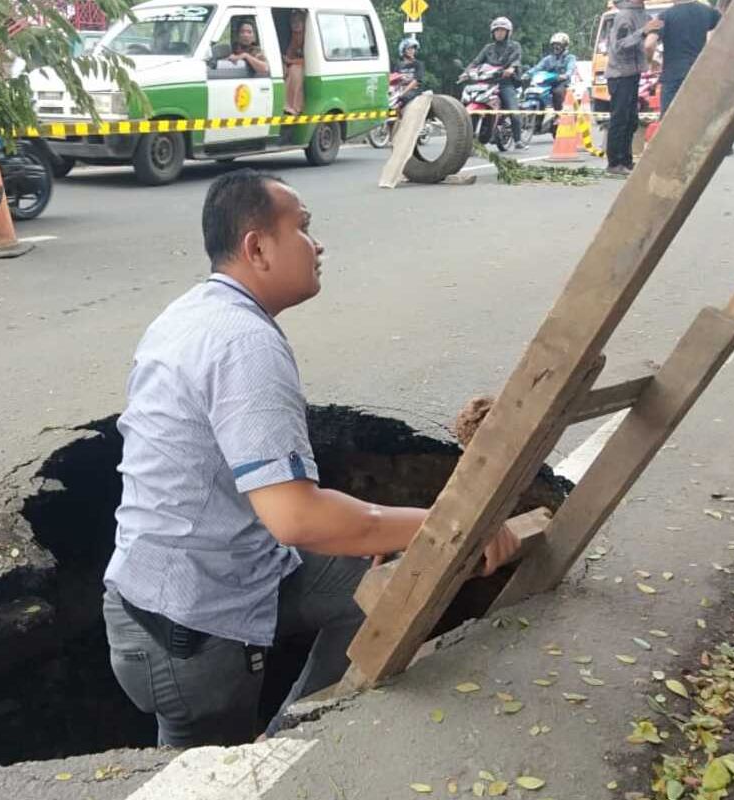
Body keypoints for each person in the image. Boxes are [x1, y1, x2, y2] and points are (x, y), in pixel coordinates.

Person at [102, 169, 523, 748]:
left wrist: (403, 535)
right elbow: (297, 519)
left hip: (204, 578)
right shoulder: (241, 344)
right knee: (214, 777)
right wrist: (456, 528)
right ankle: (271, 759)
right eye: (302, 228)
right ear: (257, 247)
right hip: (188, 633)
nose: (317, 243)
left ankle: (298, 729)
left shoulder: (199, 313)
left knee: (378, 584)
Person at [604, 0, 658, 176]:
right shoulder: (625, 16)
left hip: (633, 74)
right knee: (620, 119)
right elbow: (620, 45)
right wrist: (643, 31)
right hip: (620, 75)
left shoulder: (640, 14)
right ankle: (614, 162)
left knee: (630, 120)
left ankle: (626, 160)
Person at [645, 0, 721, 117]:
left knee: (669, 120)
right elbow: (725, 24)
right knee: (696, 117)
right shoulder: (707, 11)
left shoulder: (664, 16)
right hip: (698, 73)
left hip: (673, 76)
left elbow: (649, 44)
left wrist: (650, 61)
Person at [467, 17, 526, 149]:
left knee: (513, 111)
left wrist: (511, 69)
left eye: (502, 30)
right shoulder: (488, 48)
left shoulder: (514, 46)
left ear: (508, 32)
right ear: (492, 33)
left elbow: (517, 59)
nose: (499, 33)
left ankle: (517, 139)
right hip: (487, 82)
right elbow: (476, 62)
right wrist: (466, 72)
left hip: (505, 83)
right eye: (497, 30)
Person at [525, 32, 578, 112]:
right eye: (554, 45)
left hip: (562, 82)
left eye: (558, 45)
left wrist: (566, 75)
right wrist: (527, 74)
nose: (556, 47)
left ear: (565, 46)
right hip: (548, 82)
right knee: (532, 91)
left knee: (557, 92)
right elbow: (538, 67)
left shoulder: (570, 58)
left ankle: (558, 115)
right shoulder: (548, 59)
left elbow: (570, 69)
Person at [283, 11, 306, 115]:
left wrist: (291, 61)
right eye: (293, 22)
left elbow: (308, 60)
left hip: (305, 66)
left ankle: (295, 107)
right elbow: (290, 53)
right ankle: (285, 105)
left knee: (294, 71)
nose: (296, 24)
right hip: (294, 63)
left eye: (298, 21)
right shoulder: (294, 36)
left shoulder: (307, 35)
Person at [393, 36, 425, 109]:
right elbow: (394, 80)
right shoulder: (398, 65)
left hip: (414, 90)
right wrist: (396, 90)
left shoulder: (418, 64)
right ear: (403, 50)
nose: (412, 51)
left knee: (405, 97)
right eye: (409, 49)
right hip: (400, 89)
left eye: (413, 49)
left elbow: (416, 81)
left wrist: (403, 92)